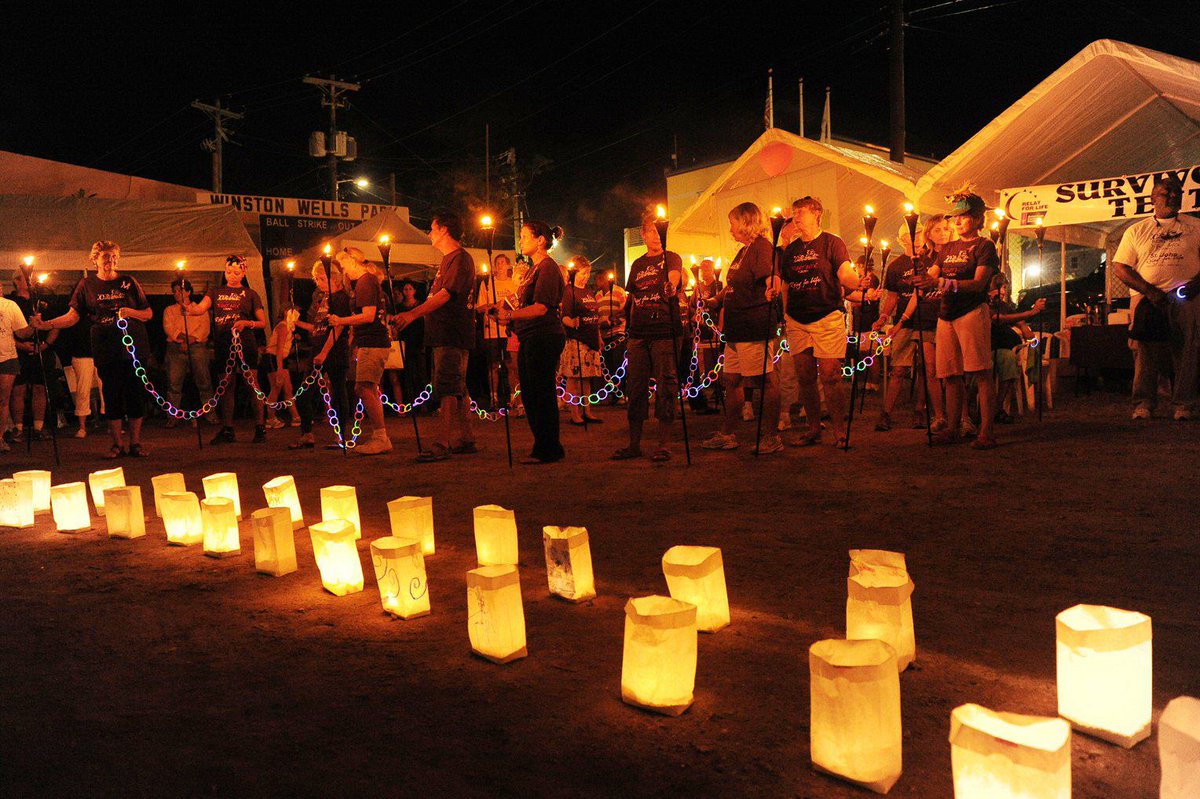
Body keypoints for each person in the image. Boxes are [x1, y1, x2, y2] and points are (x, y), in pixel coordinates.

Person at [32, 241, 154, 458]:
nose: (110, 261)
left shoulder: (129, 282)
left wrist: (130, 312)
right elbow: (72, 317)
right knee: (111, 394)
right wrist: (47, 324)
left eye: (114, 256)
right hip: (106, 347)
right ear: (95, 259)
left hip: (134, 348)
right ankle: (117, 444)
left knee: (135, 394)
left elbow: (148, 314)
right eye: (106, 256)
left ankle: (136, 443)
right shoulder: (86, 285)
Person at [913, 190, 1001, 448]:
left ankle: (987, 431)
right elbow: (931, 274)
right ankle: (952, 427)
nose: (957, 222)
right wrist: (918, 275)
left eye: (963, 216)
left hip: (972, 312)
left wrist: (939, 282)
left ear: (976, 218)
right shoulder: (947, 248)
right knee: (950, 375)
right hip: (946, 315)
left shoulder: (985, 246)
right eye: (955, 218)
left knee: (980, 372)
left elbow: (978, 284)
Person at [774, 196, 864, 448]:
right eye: (794, 213)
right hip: (797, 319)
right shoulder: (790, 251)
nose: (796, 218)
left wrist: (856, 281)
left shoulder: (833, 243)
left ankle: (838, 430)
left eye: (800, 212)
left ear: (817, 214)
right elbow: (785, 286)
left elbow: (845, 272)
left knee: (830, 375)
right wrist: (784, 314)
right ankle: (814, 428)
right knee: (804, 375)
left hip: (827, 316)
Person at [1111, 174, 1200, 420]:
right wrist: (1148, 290)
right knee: (1145, 351)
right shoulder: (1137, 230)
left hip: (1187, 298)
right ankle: (1143, 403)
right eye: (1166, 192)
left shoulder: (1196, 227)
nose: (1172, 196)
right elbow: (1121, 267)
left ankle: (1184, 404)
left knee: (1187, 349)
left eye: (1176, 193)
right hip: (1148, 300)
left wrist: (1196, 284)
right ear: (1152, 198)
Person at [394, 212, 478, 461]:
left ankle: (442, 443)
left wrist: (412, 314)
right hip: (443, 333)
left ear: (444, 230)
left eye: (432, 228)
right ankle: (466, 437)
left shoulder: (460, 259)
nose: (429, 233)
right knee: (458, 387)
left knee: (447, 387)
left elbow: (445, 295)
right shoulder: (447, 260)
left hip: (452, 333)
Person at [702, 202, 784, 453]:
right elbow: (734, 283)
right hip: (736, 329)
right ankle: (728, 434)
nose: (730, 229)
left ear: (746, 222)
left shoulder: (761, 247)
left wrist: (774, 287)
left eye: (732, 223)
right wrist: (716, 299)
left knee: (765, 380)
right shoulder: (743, 252)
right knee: (732, 379)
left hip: (753, 325)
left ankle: (771, 437)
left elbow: (772, 276)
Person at [612, 212, 683, 461]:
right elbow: (632, 298)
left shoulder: (671, 258)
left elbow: (674, 276)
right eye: (651, 231)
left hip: (664, 331)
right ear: (643, 234)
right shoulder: (638, 264)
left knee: (666, 384)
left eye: (659, 231)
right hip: (639, 333)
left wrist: (671, 286)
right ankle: (634, 444)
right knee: (636, 386)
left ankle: (664, 444)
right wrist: (625, 318)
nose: (656, 237)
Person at [493, 221, 566, 464]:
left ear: (540, 240)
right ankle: (542, 445)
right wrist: (506, 314)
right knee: (530, 392)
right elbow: (523, 305)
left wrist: (510, 315)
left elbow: (541, 307)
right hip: (528, 336)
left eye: (525, 236)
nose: (521, 241)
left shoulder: (547, 268)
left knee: (541, 392)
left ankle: (549, 447)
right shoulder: (533, 270)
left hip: (543, 335)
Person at [184, 255, 268, 444]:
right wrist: (189, 307)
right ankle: (228, 428)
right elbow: (200, 309)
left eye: (236, 272)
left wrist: (246, 323)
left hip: (245, 343)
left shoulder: (251, 294)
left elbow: (262, 322)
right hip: (223, 342)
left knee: (251, 384)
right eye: (228, 272)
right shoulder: (215, 292)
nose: (232, 275)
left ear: (244, 272)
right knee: (226, 385)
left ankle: (260, 426)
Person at [874, 220, 942, 431]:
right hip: (905, 323)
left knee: (925, 368)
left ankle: (920, 410)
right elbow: (892, 297)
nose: (916, 238)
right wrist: (884, 316)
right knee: (899, 369)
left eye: (920, 233)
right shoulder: (895, 266)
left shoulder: (932, 261)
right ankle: (886, 413)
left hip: (928, 319)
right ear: (901, 240)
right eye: (911, 235)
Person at [328, 247, 394, 455]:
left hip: (373, 341)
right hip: (371, 341)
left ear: (354, 261)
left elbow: (368, 315)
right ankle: (379, 435)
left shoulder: (366, 281)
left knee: (364, 388)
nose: (344, 270)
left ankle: (381, 436)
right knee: (369, 389)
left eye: (345, 265)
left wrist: (341, 320)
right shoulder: (367, 282)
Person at [290, 260, 352, 450]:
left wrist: (324, 353)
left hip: (334, 351)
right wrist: (297, 322)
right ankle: (307, 433)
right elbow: (317, 328)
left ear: (334, 278)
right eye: (316, 278)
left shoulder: (340, 298)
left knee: (338, 392)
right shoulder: (322, 299)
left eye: (322, 278)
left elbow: (339, 327)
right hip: (317, 349)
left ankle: (341, 435)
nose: (318, 282)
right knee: (303, 391)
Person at [9, 269, 58, 441]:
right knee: (18, 389)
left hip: (42, 351)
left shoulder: (41, 300)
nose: (30, 281)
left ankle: (39, 427)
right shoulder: (10, 302)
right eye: (25, 278)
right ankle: (18, 429)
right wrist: (21, 345)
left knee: (40, 388)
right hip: (17, 352)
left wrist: (45, 345)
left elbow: (55, 324)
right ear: (16, 281)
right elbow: (5, 331)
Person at [988, 275, 1044, 422]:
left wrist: (1024, 328)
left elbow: (1016, 319)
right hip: (988, 347)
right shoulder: (985, 304)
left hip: (1006, 349)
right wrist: (1032, 312)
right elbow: (997, 318)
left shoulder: (1004, 305)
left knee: (1011, 359)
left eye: (1005, 288)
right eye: (1000, 287)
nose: (1003, 291)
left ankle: (997, 408)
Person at [162, 276, 213, 428]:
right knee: (174, 384)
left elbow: (204, 330)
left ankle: (210, 414)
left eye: (180, 290)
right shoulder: (169, 310)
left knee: (204, 382)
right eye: (175, 291)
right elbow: (169, 328)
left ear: (189, 291)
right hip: (175, 349)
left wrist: (190, 340)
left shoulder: (200, 310)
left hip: (197, 348)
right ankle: (173, 416)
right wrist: (183, 340)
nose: (177, 293)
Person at [560, 256, 604, 426]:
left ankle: (587, 411)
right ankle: (574, 413)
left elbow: (595, 316)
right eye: (583, 273)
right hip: (576, 341)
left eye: (588, 273)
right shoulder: (569, 292)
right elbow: (565, 316)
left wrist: (598, 337)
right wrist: (571, 322)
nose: (586, 277)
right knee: (574, 378)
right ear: (575, 272)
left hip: (590, 339)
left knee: (587, 378)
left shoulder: (588, 291)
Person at [476, 253, 516, 406]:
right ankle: (494, 397)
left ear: (508, 266)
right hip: (492, 330)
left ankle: (513, 397)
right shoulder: (487, 284)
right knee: (493, 365)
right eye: (497, 263)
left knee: (511, 364)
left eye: (502, 263)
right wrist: (494, 306)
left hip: (509, 331)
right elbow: (480, 307)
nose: (499, 266)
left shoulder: (514, 284)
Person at [0, 280, 36, 453]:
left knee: (3, 400)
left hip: (7, 357)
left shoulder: (10, 305)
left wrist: (33, 325)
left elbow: (22, 332)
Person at [262, 307, 302, 429]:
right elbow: (279, 349)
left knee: (288, 388)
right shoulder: (283, 327)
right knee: (276, 387)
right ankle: (270, 419)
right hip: (273, 358)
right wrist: (279, 368)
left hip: (280, 359)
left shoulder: (290, 328)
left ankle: (296, 417)